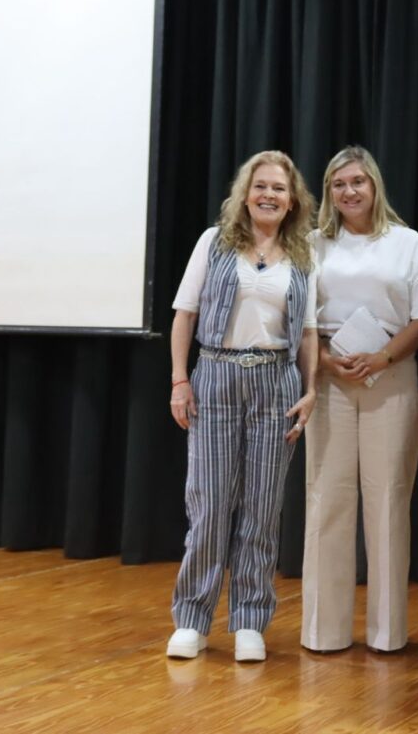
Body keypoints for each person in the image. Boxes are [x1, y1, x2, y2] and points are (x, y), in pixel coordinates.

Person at [166, 150, 319, 663]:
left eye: (278, 188)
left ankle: (250, 619)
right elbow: (184, 315)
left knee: (261, 505)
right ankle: (192, 617)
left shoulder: (303, 255)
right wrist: (179, 380)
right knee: (208, 503)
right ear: (245, 193)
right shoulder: (214, 243)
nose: (269, 195)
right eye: (261, 187)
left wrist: (311, 388)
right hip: (216, 374)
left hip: (275, 381)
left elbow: (310, 333)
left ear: (292, 199)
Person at [300, 145, 418, 653]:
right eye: (338, 184)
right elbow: (300, 317)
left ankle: (387, 633)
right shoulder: (313, 243)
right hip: (331, 375)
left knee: (387, 500)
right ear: (329, 192)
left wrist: (382, 357)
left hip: (391, 375)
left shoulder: (406, 242)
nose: (349, 191)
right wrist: (325, 359)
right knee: (327, 499)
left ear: (374, 185)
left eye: (358, 181)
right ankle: (323, 630)